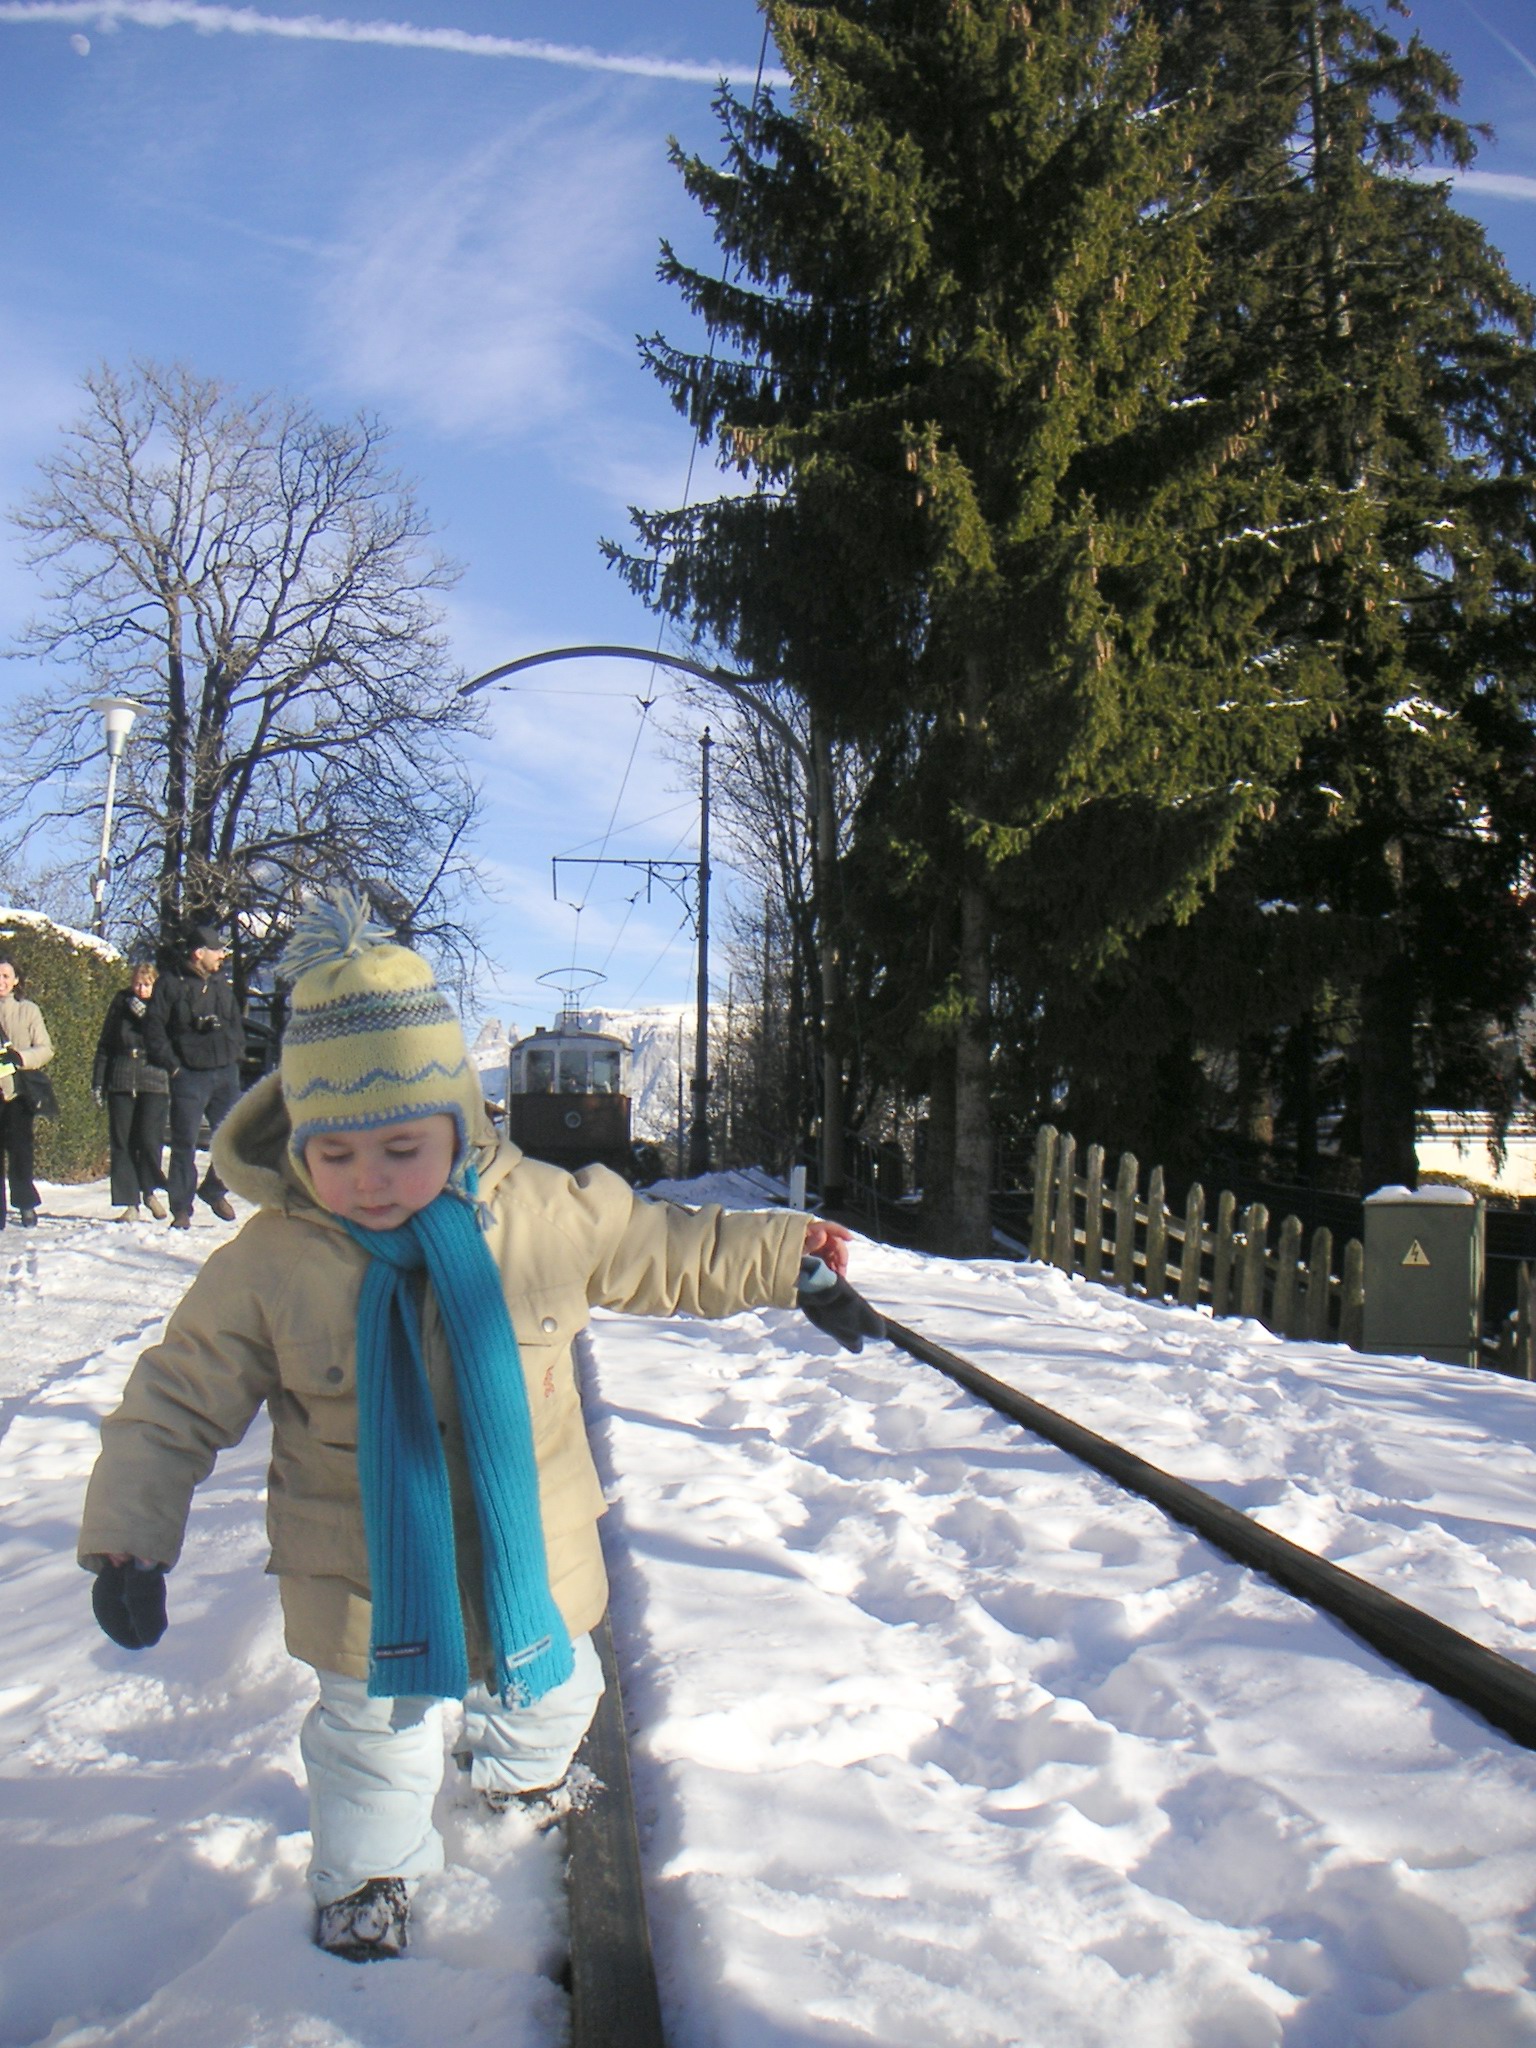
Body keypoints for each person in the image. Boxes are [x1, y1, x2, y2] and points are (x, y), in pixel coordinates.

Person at [78, 889, 881, 1964]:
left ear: (459, 1120)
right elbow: (175, 1397)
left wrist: (788, 1260)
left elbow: (665, 1247)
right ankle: (369, 1876)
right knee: (374, 1737)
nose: (369, 1181)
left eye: (400, 1147)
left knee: (556, 1693)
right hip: (363, 1568)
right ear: (300, 1146)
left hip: (532, 1544)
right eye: (335, 1155)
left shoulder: (543, 1212)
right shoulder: (271, 1262)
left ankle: (521, 1779)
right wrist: (129, 1536)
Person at [144, 921, 246, 1229]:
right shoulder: (170, 984)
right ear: (199, 953)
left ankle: (214, 1189)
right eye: (217, 951)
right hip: (188, 1074)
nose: (222, 956)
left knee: (236, 1139)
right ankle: (181, 1210)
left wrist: (235, 1051)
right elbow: (154, 1029)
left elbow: (235, 1023)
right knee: (184, 1143)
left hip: (225, 1071)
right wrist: (173, 1066)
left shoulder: (220, 984)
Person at [92, 963, 172, 1222]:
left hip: (154, 1078)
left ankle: (149, 1190)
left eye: (147, 984)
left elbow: (169, 1039)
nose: (141, 989)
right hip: (122, 1076)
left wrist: (147, 1016)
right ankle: (129, 1203)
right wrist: (99, 1082)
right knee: (122, 1142)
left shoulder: (164, 1005)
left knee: (149, 1140)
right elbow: (105, 1044)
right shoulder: (120, 1002)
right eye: (137, 983)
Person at [0, 954, 55, 1229]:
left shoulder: (28, 1010)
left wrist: (21, 1057)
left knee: (21, 1151)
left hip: (19, 1092)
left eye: (5, 976)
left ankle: (25, 1203)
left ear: (16, 980)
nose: (0, 981)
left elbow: (45, 1048)